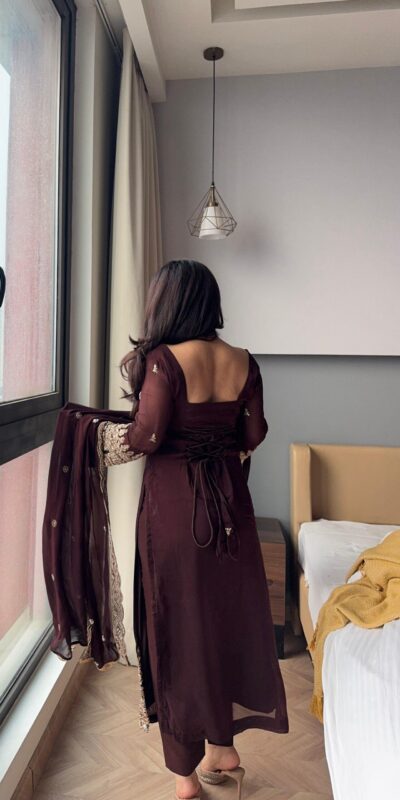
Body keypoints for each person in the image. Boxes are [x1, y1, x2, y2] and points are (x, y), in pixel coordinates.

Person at [99, 259, 289, 800]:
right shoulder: (243, 360)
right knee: (222, 623)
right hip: (231, 510)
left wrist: (92, 435)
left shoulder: (163, 361)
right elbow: (253, 433)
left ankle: (185, 777)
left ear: (166, 303)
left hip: (176, 513)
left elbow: (146, 436)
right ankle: (222, 751)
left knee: (177, 631)